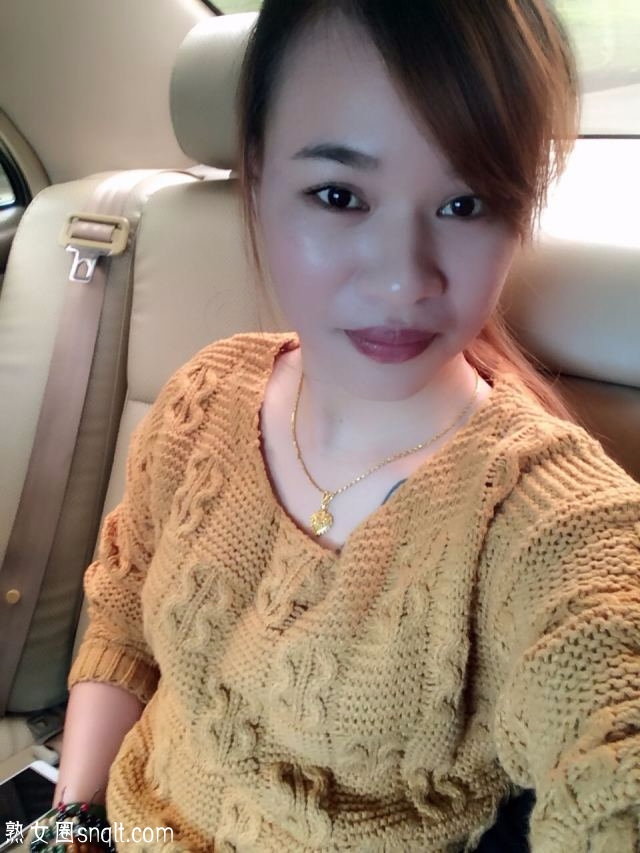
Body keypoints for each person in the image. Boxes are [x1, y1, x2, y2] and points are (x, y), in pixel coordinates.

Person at [41, 1, 640, 851]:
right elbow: (122, 622)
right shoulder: (202, 399)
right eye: (339, 195)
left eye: (467, 204)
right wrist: (70, 824)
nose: (402, 281)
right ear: (257, 179)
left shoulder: (544, 521)